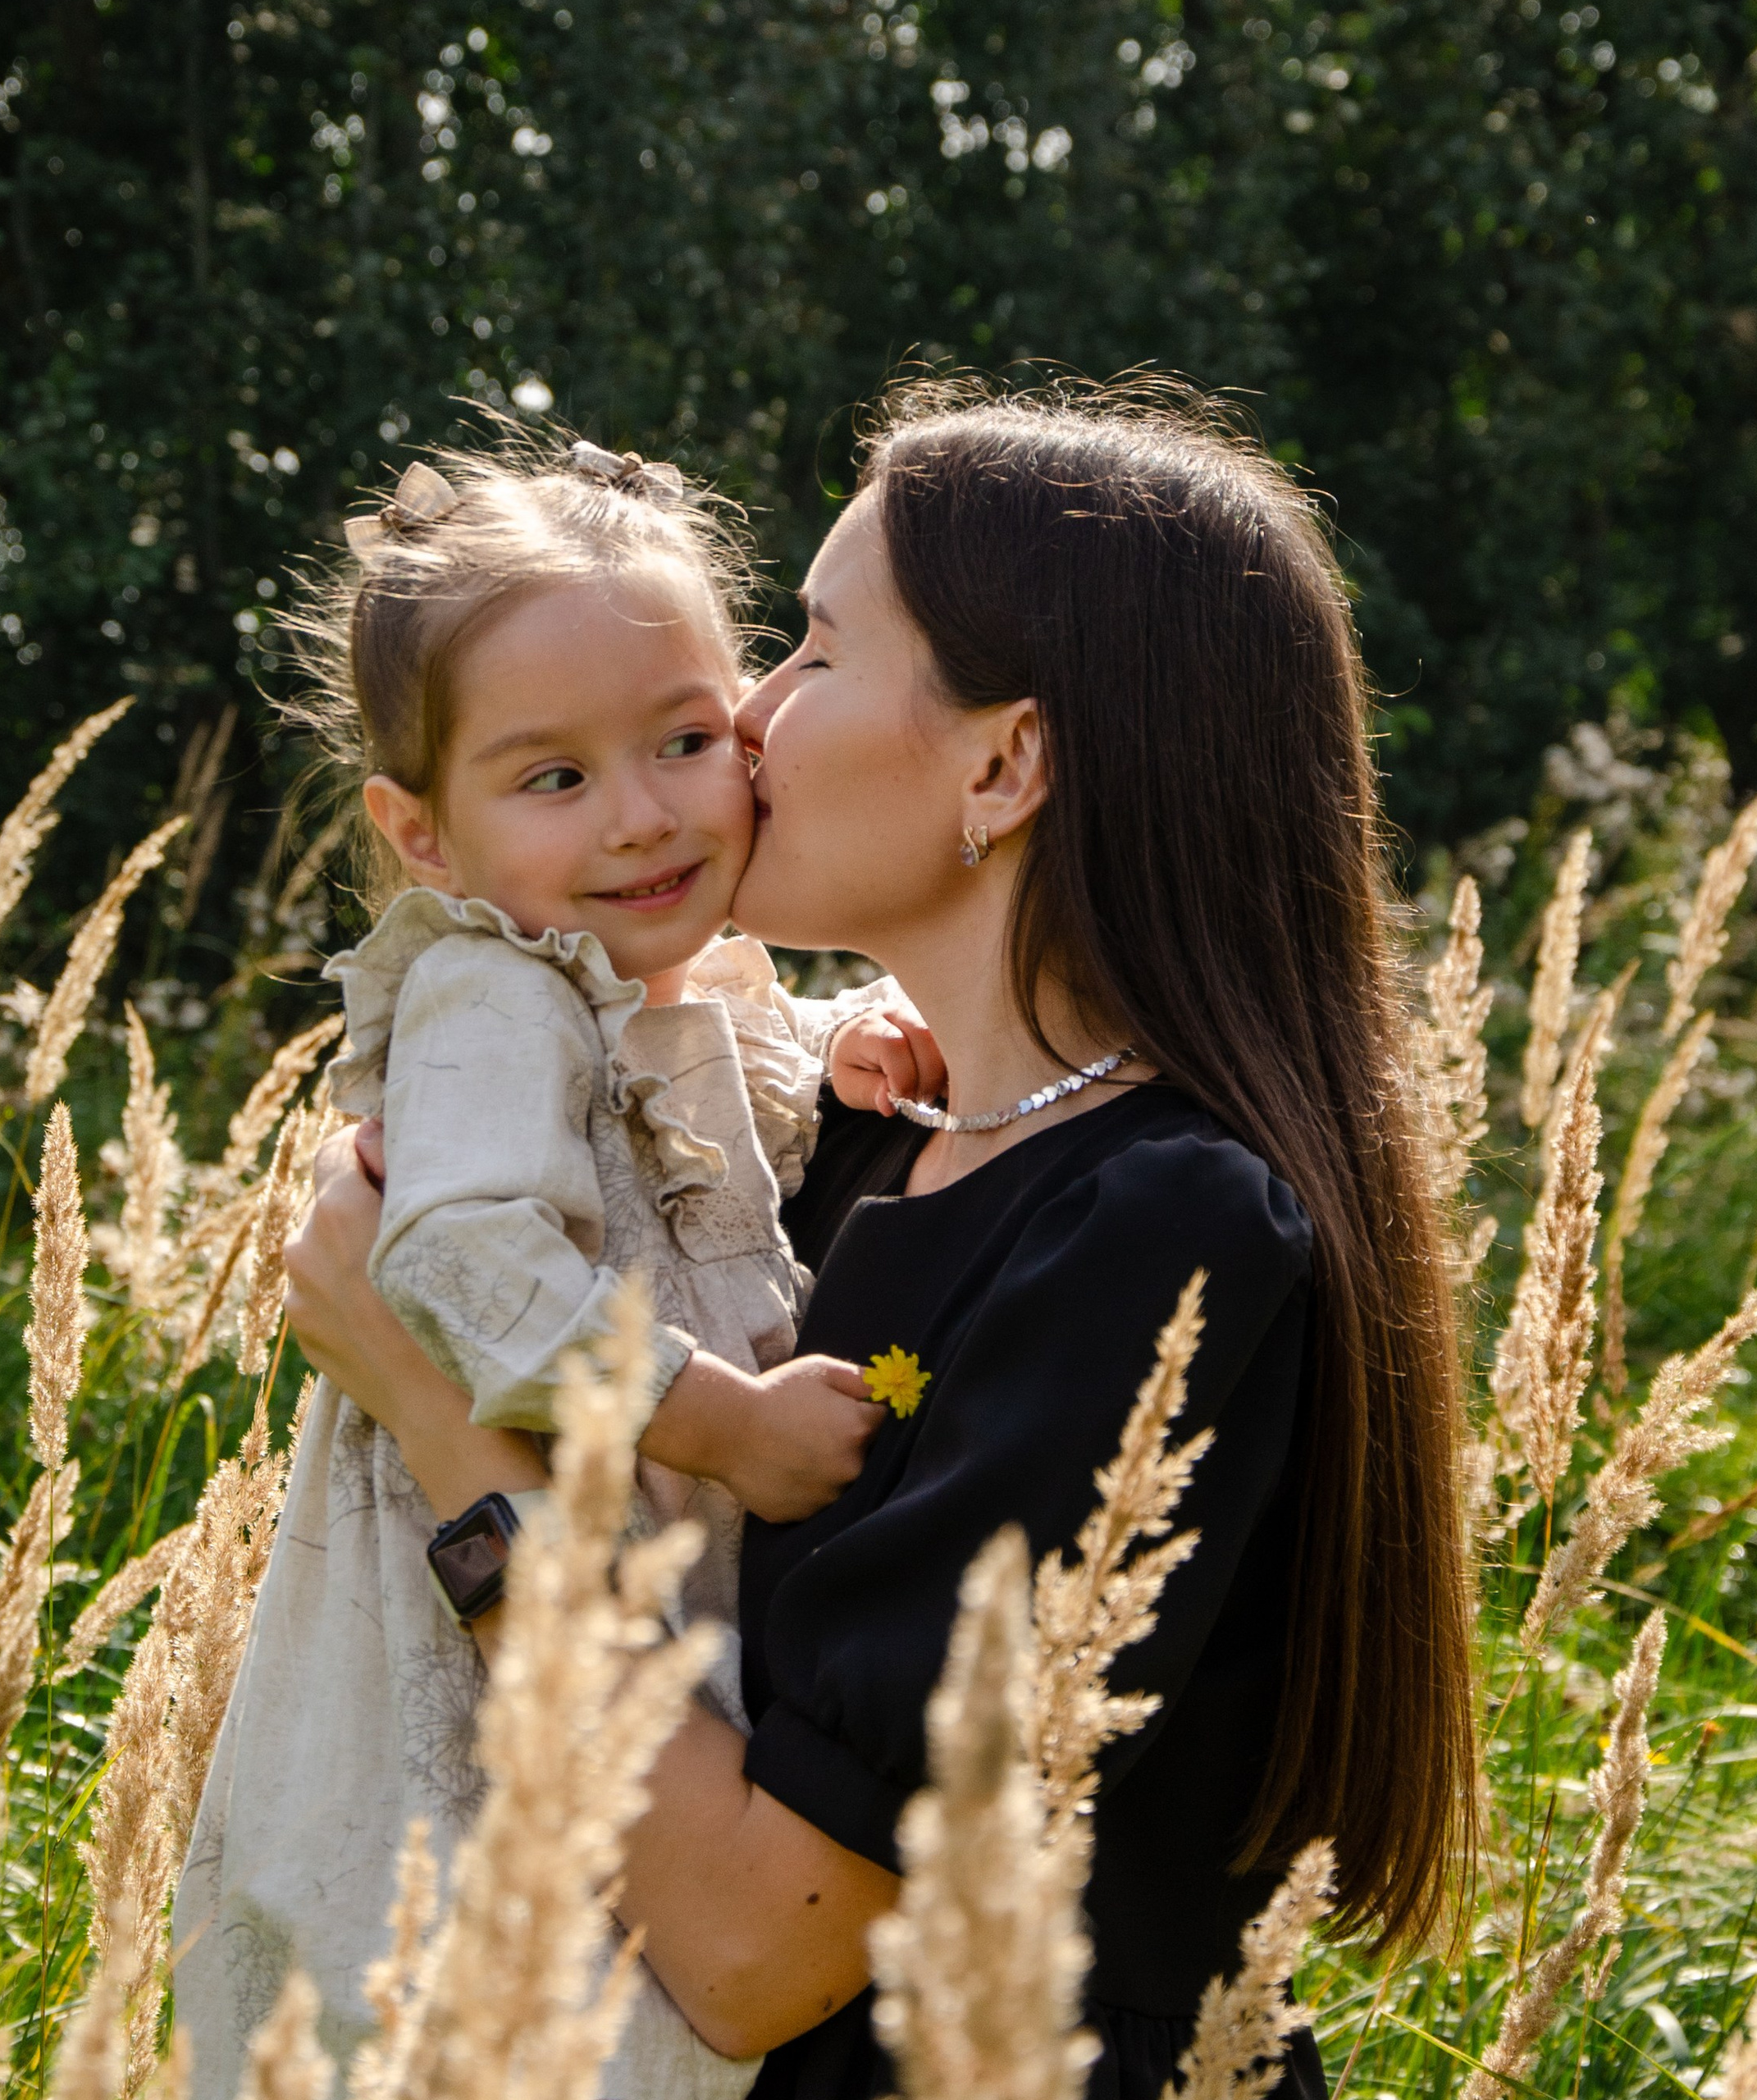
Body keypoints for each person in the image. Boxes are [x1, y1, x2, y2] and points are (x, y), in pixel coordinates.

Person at [281, 382, 1476, 2100]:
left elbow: (757, 1945)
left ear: (1001, 761)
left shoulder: (1154, 1236)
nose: (745, 720)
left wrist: (450, 1431)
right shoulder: (844, 1142)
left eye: (813, 657)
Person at [174, 434, 949, 2100]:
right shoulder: (489, 995)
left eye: (682, 738)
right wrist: (718, 1418)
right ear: (423, 834)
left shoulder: (662, 978)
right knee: (489, 1950)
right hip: (488, 1576)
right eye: (554, 778)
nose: (645, 812)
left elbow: (691, 1135)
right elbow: (454, 1256)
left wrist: (836, 1049)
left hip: (619, 1583)